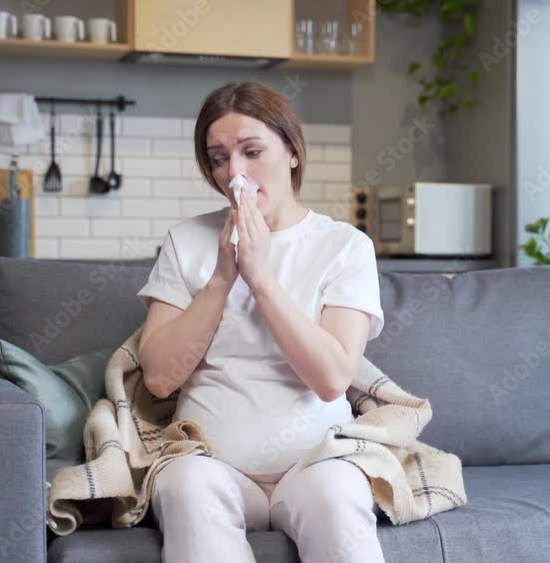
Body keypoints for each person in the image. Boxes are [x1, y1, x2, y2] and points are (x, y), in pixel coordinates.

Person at [136, 81, 386, 563]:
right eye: (218, 159)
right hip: (214, 466)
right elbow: (161, 379)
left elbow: (334, 378)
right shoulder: (186, 241)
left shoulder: (345, 247)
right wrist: (222, 278)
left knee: (338, 499)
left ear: (292, 152)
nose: (236, 174)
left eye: (253, 152)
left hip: (315, 464)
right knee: (185, 484)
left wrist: (262, 278)